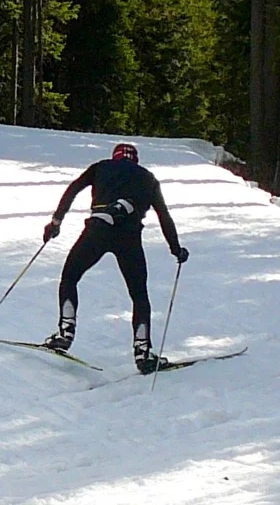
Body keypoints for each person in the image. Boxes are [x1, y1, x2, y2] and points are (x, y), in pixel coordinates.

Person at [42, 142, 187, 373]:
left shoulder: (101, 167)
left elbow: (73, 189)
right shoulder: (148, 179)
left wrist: (56, 222)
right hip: (129, 237)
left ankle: (65, 334)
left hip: (97, 229)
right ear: (135, 161)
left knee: (70, 277)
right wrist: (176, 249)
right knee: (139, 294)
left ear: (115, 157)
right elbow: (164, 216)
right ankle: (143, 353)